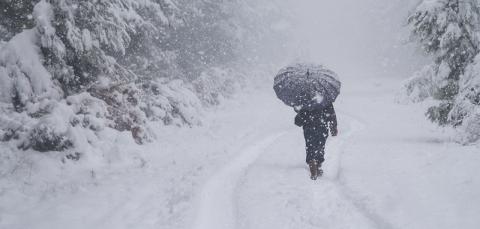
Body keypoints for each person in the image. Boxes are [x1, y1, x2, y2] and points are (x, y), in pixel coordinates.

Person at [294, 103, 338, 180]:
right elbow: (331, 113)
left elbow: (298, 121)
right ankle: (318, 163)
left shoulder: (304, 99)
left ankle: (312, 163)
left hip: (309, 127)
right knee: (320, 146)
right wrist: (333, 126)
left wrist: (299, 112)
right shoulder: (325, 98)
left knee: (310, 146)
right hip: (322, 126)